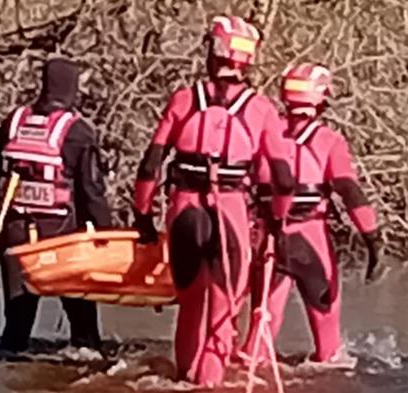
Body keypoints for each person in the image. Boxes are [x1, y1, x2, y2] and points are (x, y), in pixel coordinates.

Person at [132, 15, 294, 386]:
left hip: (185, 211)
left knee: (190, 307)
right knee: (224, 312)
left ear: (212, 52)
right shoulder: (261, 110)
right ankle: (209, 384)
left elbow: (150, 166)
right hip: (231, 212)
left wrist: (142, 217)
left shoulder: (184, 100)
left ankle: (185, 379)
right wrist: (278, 225)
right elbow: (283, 179)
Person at [238, 62, 381, 367]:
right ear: (322, 99)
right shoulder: (329, 142)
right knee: (329, 345)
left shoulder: (265, 133)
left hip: (270, 240)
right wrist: (372, 242)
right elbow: (351, 193)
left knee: (259, 336)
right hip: (311, 239)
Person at [0, 57, 112, 355]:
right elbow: (92, 192)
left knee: (15, 329)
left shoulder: (14, 121)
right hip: (61, 240)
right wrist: (106, 234)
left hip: (15, 235)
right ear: (72, 89)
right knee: (84, 332)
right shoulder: (77, 131)